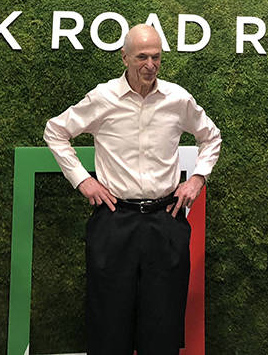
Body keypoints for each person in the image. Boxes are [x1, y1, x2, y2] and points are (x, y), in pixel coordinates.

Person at [44, 23, 221, 355]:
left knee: (163, 326)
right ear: (124, 57)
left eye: (156, 57)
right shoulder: (103, 97)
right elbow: (55, 131)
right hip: (114, 221)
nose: (150, 65)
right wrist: (83, 180)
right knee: (109, 326)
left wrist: (197, 178)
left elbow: (210, 137)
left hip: (165, 221)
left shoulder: (177, 99)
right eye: (142, 57)